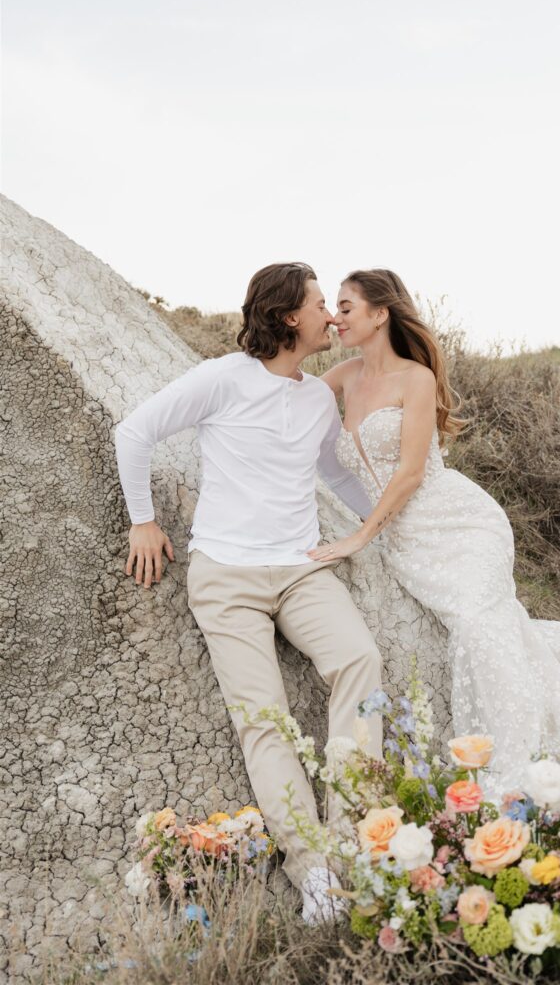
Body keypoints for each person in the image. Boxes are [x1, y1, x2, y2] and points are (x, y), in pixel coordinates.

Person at [310, 267, 560, 795]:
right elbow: (287, 405)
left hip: (460, 524)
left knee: (478, 629)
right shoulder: (344, 375)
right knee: (502, 632)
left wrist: (359, 536)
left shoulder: (414, 378)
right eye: (333, 308)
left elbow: (411, 472)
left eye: (345, 307)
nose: (335, 317)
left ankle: (521, 776)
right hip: (407, 541)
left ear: (380, 313)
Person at [115, 262, 383, 922]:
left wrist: (384, 518)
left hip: (299, 568)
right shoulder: (222, 378)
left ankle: (352, 843)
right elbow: (134, 432)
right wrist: (142, 520)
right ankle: (312, 867)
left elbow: (330, 472)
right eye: (322, 304)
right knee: (264, 720)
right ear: (290, 316)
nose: (332, 315)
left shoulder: (319, 396)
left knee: (360, 662)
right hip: (227, 576)